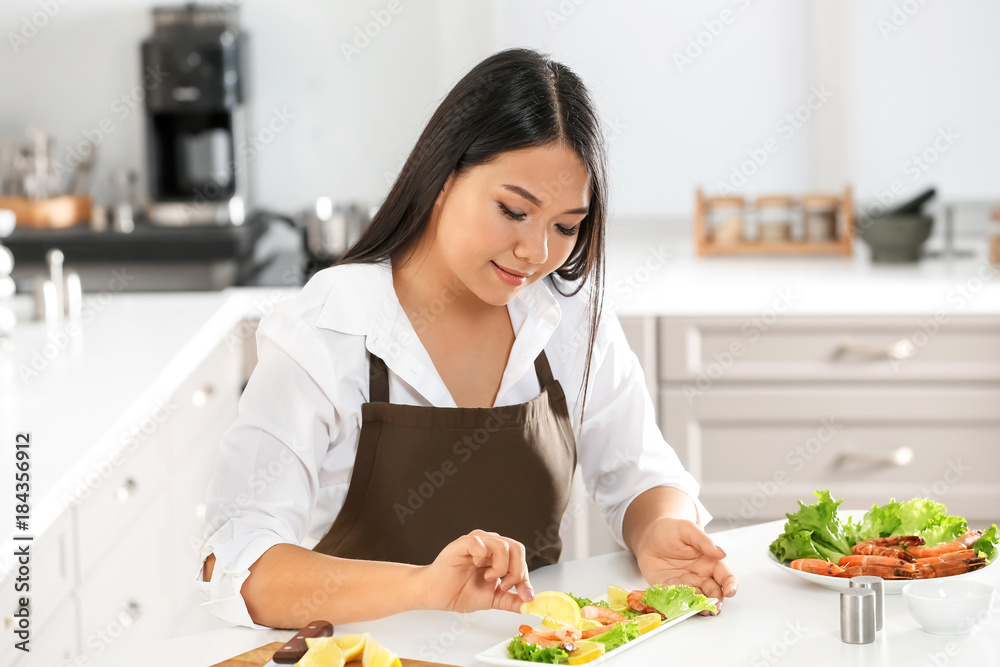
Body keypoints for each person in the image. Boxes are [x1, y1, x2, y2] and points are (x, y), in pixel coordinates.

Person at [196, 48, 737, 630]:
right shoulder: (330, 327)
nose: (537, 253)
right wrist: (422, 586)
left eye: (565, 226)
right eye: (512, 211)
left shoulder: (570, 318)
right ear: (442, 180)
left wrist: (660, 528)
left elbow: (642, 475)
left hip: (526, 650)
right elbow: (236, 563)